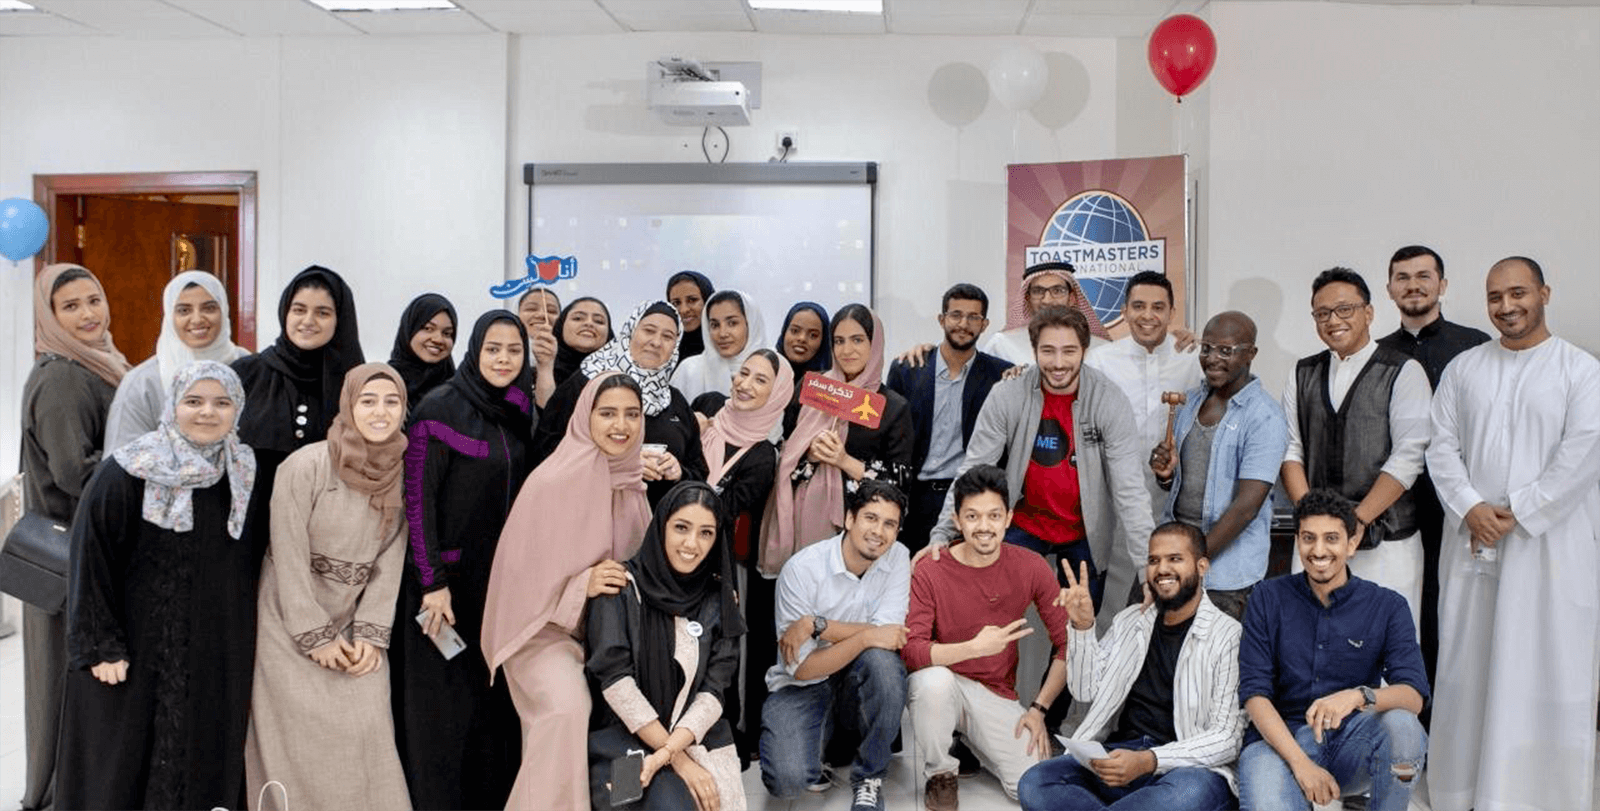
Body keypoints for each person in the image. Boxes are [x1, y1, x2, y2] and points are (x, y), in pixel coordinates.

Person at [1426, 257, 1600, 811]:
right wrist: (1471, 507)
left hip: (1550, 548)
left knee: (1546, 665)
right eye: (1495, 297)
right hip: (1472, 544)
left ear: (1544, 292)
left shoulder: (1581, 371)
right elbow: (1440, 447)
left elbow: (1582, 456)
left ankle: (1541, 796)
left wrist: (1518, 512)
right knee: (1467, 669)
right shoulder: (1464, 369)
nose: (1506, 307)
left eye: (1518, 293)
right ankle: (1461, 793)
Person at [57, 360, 259, 809]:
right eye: (193, 401)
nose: (207, 412)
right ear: (172, 406)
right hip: (131, 649)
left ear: (238, 409)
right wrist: (100, 645)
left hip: (209, 650)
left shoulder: (243, 474)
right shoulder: (128, 470)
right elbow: (90, 558)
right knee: (123, 764)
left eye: (221, 402)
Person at [245, 363, 412, 811]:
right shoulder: (305, 466)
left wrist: (371, 634)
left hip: (355, 624)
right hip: (287, 621)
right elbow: (288, 554)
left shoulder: (401, 471)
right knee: (293, 742)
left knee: (367, 729)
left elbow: (391, 557)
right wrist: (314, 634)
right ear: (348, 404)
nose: (380, 412)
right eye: (368, 401)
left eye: (391, 402)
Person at [483, 371, 652, 810]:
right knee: (565, 710)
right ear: (585, 416)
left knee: (641, 710)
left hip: (612, 638)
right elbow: (518, 586)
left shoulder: (633, 485)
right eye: (608, 413)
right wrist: (583, 585)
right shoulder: (551, 482)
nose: (621, 425)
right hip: (544, 632)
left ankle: (629, 802)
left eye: (632, 414)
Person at [391, 311, 535, 810]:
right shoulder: (440, 407)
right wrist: (432, 582)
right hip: (445, 591)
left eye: (513, 350)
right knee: (444, 713)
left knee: (491, 710)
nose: (503, 359)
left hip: (500, 587)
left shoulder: (519, 407)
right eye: (493, 348)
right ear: (475, 350)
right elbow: (417, 500)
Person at [927, 306, 1152, 619]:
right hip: (1023, 523)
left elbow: (1131, 492)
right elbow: (972, 471)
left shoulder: (1109, 400)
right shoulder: (1008, 394)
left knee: (1078, 631)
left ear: (1084, 350)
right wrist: (940, 535)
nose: (1058, 363)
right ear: (1033, 350)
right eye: (1048, 351)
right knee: (987, 615)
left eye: (1069, 351)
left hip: (1085, 533)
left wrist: (1148, 570)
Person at [1018, 522, 1243, 811]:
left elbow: (1227, 738)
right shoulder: (1130, 621)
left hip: (1184, 770)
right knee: (1035, 783)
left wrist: (1150, 760)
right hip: (1119, 756)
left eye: (1175, 559)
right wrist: (1083, 627)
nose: (1162, 569)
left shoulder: (1228, 636)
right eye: (1154, 560)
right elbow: (1085, 690)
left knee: (1188, 793)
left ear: (1201, 566)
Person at [1235, 489, 1428, 811]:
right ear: (1298, 540)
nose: (1319, 550)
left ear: (1351, 544)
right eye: (1309, 538)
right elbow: (1255, 695)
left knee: (1404, 728)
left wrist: (1357, 696)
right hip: (1278, 744)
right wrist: (1303, 766)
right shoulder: (1267, 597)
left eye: (1331, 538)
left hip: (1353, 740)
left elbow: (1413, 695)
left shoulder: (1388, 606)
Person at [19, 263, 130, 811]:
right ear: (50, 316)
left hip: (78, 553)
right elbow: (74, 473)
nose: (88, 314)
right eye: (71, 306)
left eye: (94, 299)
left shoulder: (97, 365)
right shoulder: (64, 376)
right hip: (71, 558)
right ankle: (57, 794)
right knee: (67, 683)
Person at [904, 465, 1068, 807]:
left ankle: (974, 743)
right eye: (973, 516)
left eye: (994, 516)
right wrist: (974, 648)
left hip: (995, 694)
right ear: (957, 519)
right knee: (932, 681)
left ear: (1008, 518)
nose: (984, 527)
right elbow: (912, 652)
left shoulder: (1031, 565)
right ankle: (941, 773)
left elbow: (1069, 645)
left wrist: (1038, 709)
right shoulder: (930, 569)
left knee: (1033, 782)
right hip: (946, 686)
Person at [1281, 267, 1431, 633]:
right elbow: (1291, 450)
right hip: (1317, 543)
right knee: (1311, 642)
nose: (1333, 320)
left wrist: (1357, 520)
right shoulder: (1302, 373)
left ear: (1369, 312)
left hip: (1387, 541)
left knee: (1382, 649)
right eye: (1322, 313)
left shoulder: (1403, 371)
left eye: (1345, 309)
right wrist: (1314, 522)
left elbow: (1409, 456)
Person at [585, 481, 747, 811]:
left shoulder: (720, 600)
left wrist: (673, 751)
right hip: (624, 740)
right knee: (644, 802)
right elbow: (616, 683)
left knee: (706, 801)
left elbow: (715, 690)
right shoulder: (619, 587)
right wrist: (676, 760)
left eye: (706, 533)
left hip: (695, 736)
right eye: (681, 528)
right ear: (661, 526)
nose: (692, 544)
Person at [1373, 244, 1488, 703]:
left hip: (1461, 505)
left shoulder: (1476, 345)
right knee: (1407, 611)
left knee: (1457, 611)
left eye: (1424, 276)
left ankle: (1457, 713)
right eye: (1403, 277)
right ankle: (1413, 714)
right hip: (1398, 508)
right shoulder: (1377, 353)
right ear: (1389, 289)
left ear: (1442, 284)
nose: (1413, 285)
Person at [760, 479, 910, 811]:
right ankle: (822, 747)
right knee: (787, 780)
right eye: (870, 518)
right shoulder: (801, 570)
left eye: (890, 524)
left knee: (884, 666)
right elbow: (801, 668)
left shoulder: (898, 557)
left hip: (855, 678)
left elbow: (889, 636)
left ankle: (869, 775)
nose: (879, 532)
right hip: (803, 685)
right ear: (849, 519)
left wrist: (818, 625)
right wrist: (869, 635)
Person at [1149, 312, 1288, 622]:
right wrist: (1166, 475)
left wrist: (1191, 561)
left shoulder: (1265, 417)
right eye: (1207, 348)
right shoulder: (1191, 402)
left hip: (1225, 577)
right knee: (1159, 658)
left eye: (1226, 350)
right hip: (1176, 560)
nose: (1212, 358)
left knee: (1214, 667)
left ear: (1251, 354)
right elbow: (1182, 485)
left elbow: (1245, 509)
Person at [760, 304, 913, 577]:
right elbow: (784, 457)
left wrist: (844, 461)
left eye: (857, 340)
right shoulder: (813, 387)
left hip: (860, 538)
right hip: (799, 525)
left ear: (874, 343)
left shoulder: (893, 407)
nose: (846, 350)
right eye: (839, 341)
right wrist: (809, 457)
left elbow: (899, 486)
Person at [691, 349, 793, 761]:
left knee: (728, 649)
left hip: (727, 565)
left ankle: (732, 733)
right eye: (743, 373)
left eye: (760, 380)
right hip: (677, 555)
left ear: (777, 392)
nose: (745, 385)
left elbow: (727, 509)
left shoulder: (763, 454)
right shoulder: (707, 413)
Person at [533, 300, 709, 507]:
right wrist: (622, 465)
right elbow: (549, 451)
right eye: (649, 331)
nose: (656, 342)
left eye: (668, 336)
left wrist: (680, 472)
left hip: (659, 530)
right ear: (630, 332)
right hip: (592, 517)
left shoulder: (674, 400)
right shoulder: (587, 383)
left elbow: (699, 470)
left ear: (676, 346)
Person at [884, 283, 1012, 553]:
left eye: (973, 317)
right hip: (913, 498)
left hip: (971, 499)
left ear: (985, 324)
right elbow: (890, 436)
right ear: (942, 319)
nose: (963, 324)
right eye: (955, 315)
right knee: (912, 579)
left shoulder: (1001, 376)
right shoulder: (907, 369)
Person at [232, 264, 364, 498]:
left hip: (326, 520)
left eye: (322, 313)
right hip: (252, 520)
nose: (308, 321)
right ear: (285, 312)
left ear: (339, 319)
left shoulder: (357, 384)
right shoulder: (245, 374)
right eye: (299, 310)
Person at [1082, 271, 1203, 515]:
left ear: (1172, 314)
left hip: (1179, 499)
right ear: (1124, 311)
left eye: (1158, 307)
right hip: (1114, 499)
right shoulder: (1100, 361)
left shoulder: (1193, 359)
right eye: (1139, 306)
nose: (1148, 316)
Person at [105, 270, 248, 451]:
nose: (197, 319)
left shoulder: (250, 367)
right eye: (184, 310)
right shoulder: (143, 382)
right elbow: (121, 458)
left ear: (224, 310)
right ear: (169, 316)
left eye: (209, 308)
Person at [980, 261, 1111, 366]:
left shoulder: (1100, 349)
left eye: (1058, 291)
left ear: (1072, 298)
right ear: (1028, 299)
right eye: (1038, 291)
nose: (1047, 300)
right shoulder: (1002, 345)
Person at [673, 289, 768, 402]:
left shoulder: (774, 368)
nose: (722, 334)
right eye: (715, 325)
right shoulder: (689, 370)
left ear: (750, 324)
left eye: (732, 323)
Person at [540, 296, 613, 407]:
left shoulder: (618, 377)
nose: (589, 324)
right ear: (561, 326)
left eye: (599, 321)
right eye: (578, 318)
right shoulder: (531, 376)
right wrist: (545, 368)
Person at [775, 301, 832, 387]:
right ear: (784, 332)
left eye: (813, 335)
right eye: (795, 331)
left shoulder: (832, 387)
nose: (802, 339)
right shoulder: (764, 373)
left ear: (823, 342)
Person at [667, 270, 714, 360]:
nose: (683, 310)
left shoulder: (728, 346)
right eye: (676, 303)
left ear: (707, 301)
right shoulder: (664, 353)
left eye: (692, 300)